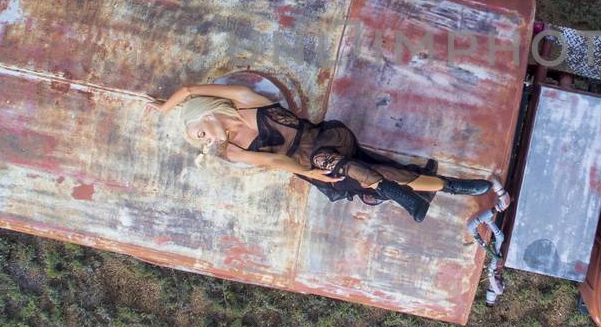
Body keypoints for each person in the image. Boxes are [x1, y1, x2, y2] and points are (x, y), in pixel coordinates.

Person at [154, 82, 496, 222]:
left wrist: (163, 109)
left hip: (328, 138)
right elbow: (274, 161)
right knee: (376, 173)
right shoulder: (232, 152)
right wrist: (309, 175)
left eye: (199, 133)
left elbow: (188, 89)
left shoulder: (244, 101)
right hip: (319, 167)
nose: (204, 141)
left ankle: (403, 196)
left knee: (329, 159)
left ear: (205, 112)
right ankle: (452, 186)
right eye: (198, 142)